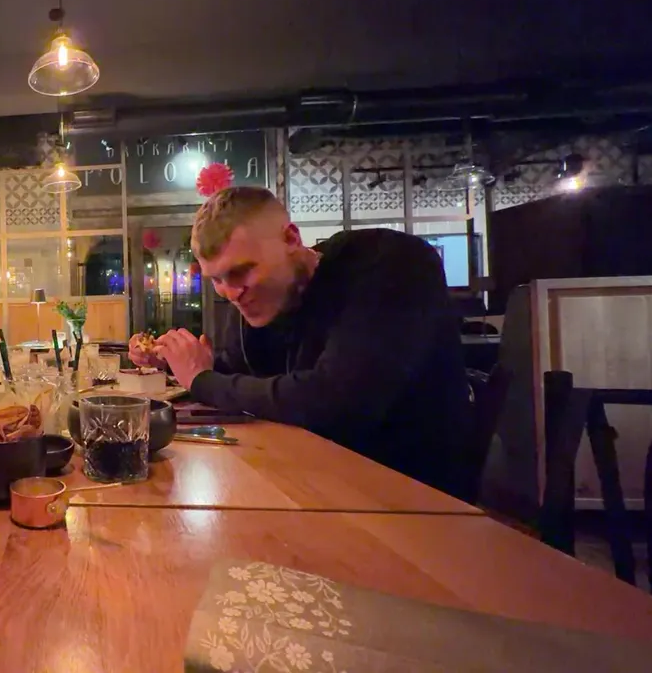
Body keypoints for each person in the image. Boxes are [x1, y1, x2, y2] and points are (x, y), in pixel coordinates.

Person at [132, 185, 472, 498]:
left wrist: (203, 380)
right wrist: (182, 363)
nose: (230, 293)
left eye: (241, 271)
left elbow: (335, 402)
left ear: (291, 238)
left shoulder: (389, 264)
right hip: (313, 481)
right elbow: (243, 376)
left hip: (415, 500)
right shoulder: (264, 297)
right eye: (216, 279)